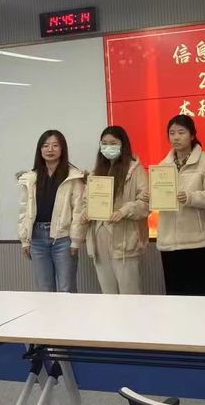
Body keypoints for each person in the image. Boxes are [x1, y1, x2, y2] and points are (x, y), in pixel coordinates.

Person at [82, 125, 149, 294]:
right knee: (107, 291)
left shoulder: (135, 170)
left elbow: (146, 203)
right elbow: (85, 201)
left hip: (124, 237)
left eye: (113, 143)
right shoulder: (95, 172)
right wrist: (86, 213)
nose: (108, 147)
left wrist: (125, 210)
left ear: (122, 145)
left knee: (129, 291)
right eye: (104, 143)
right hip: (99, 235)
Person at [156, 115, 205, 296]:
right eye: (172, 133)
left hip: (197, 241)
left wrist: (190, 197)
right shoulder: (163, 165)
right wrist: (151, 197)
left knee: (201, 295)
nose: (176, 137)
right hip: (169, 242)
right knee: (175, 296)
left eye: (181, 132)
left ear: (192, 135)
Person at [17, 130, 85, 292]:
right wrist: (25, 239)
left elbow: (78, 210)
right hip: (37, 238)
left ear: (62, 149)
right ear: (40, 150)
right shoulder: (30, 178)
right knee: (44, 290)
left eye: (55, 145)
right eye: (46, 146)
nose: (50, 149)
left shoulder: (73, 176)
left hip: (63, 238)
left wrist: (76, 240)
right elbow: (24, 210)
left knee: (66, 289)